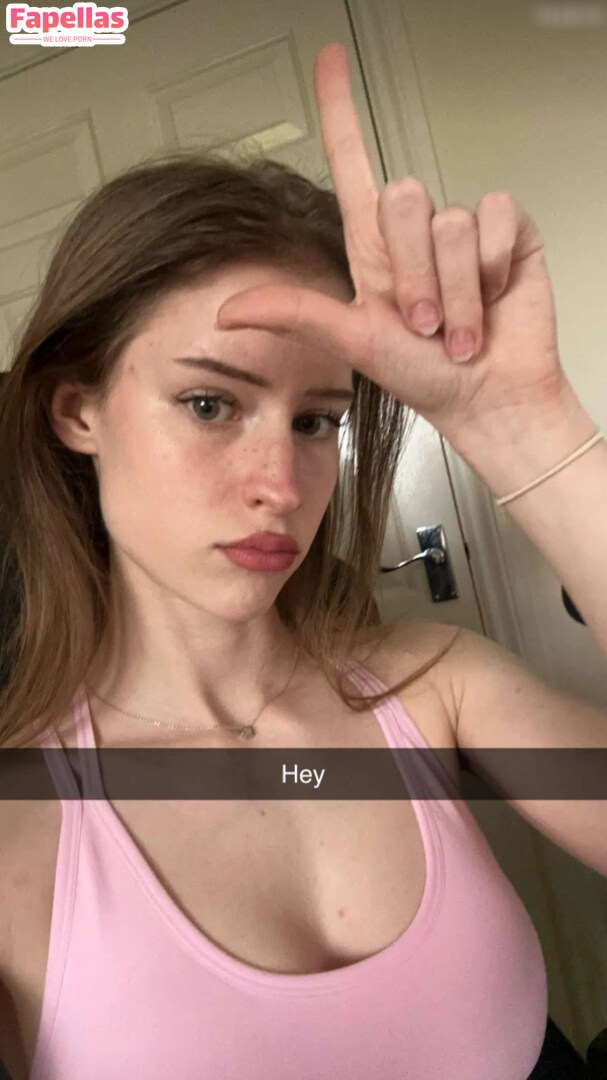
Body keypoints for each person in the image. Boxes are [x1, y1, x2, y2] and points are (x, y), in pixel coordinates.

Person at [0, 41, 604, 1080]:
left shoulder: (435, 690)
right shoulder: (19, 825)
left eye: (317, 419)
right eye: (209, 403)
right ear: (77, 410)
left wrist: (530, 433)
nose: (281, 484)